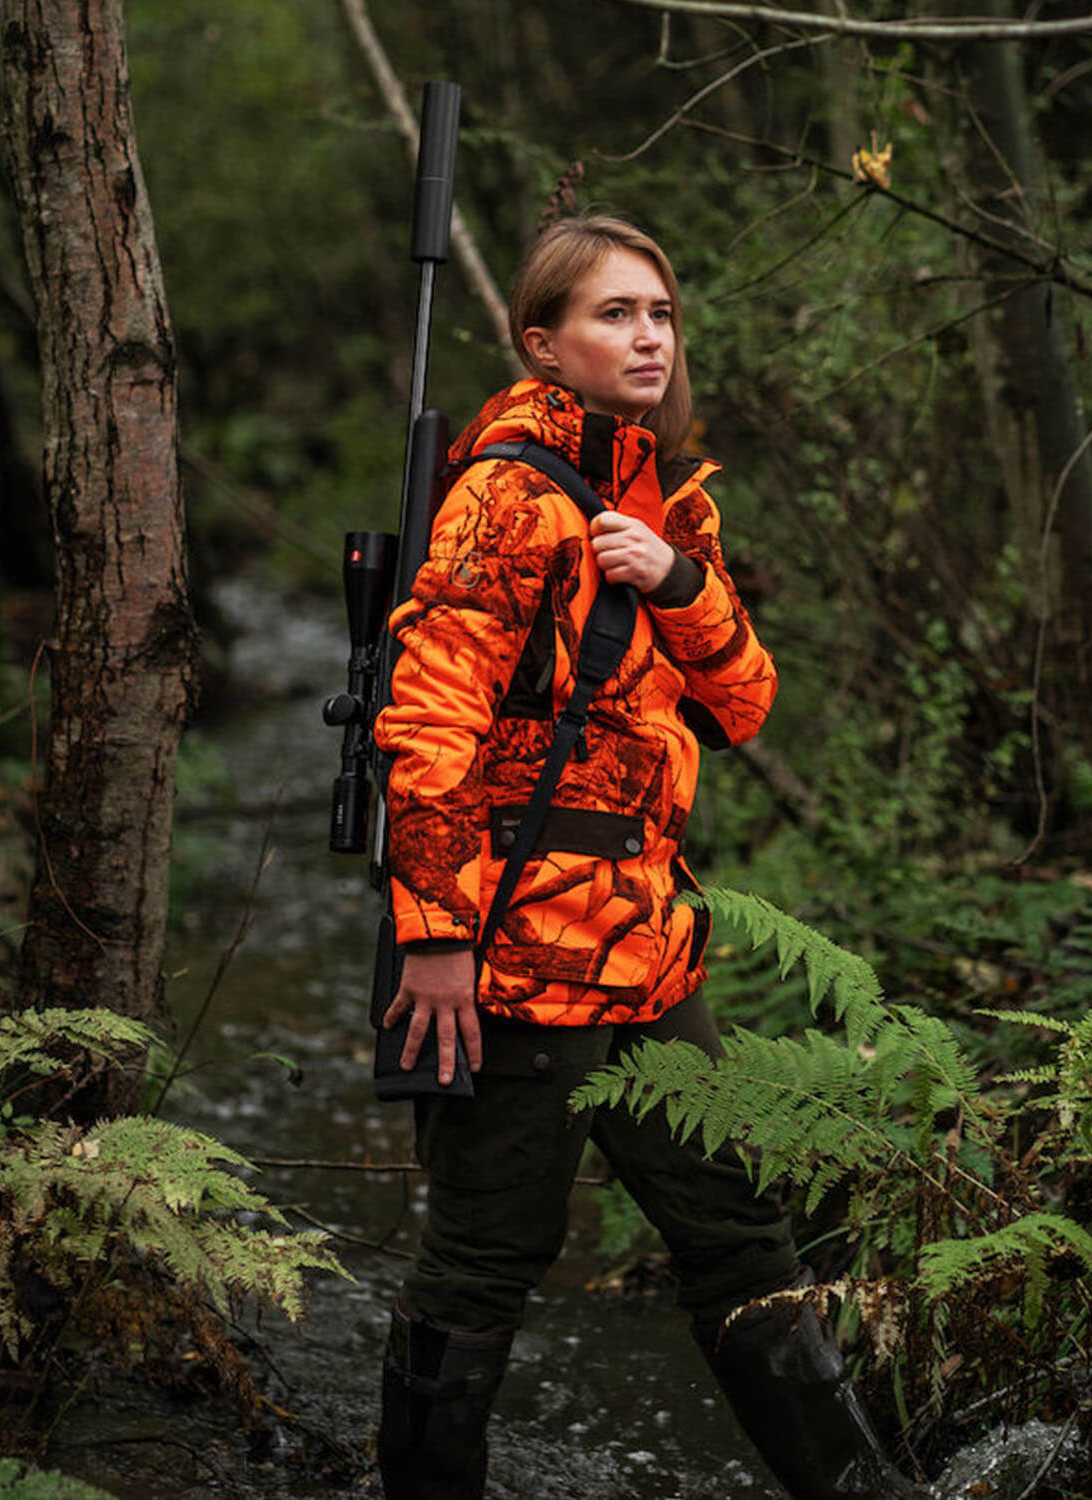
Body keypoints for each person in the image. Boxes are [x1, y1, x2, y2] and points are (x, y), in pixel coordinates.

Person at [371, 214, 926, 1500]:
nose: (648, 337)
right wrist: (438, 940)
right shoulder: (503, 500)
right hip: (509, 954)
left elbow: (744, 705)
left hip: (646, 950)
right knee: (481, 1263)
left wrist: (679, 580)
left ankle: (866, 1495)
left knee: (740, 1237)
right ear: (544, 345)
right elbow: (427, 730)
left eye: (661, 314)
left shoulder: (666, 503)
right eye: (615, 314)